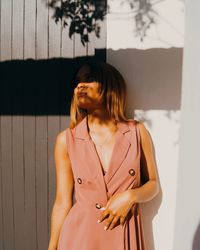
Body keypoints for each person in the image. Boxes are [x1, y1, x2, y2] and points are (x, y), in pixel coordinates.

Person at [48, 60, 159, 250]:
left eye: (89, 79)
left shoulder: (137, 132)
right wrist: (52, 248)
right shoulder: (66, 141)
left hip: (125, 232)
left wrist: (131, 196)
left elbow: (153, 184)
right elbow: (62, 202)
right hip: (80, 237)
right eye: (77, 82)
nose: (80, 85)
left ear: (110, 86)